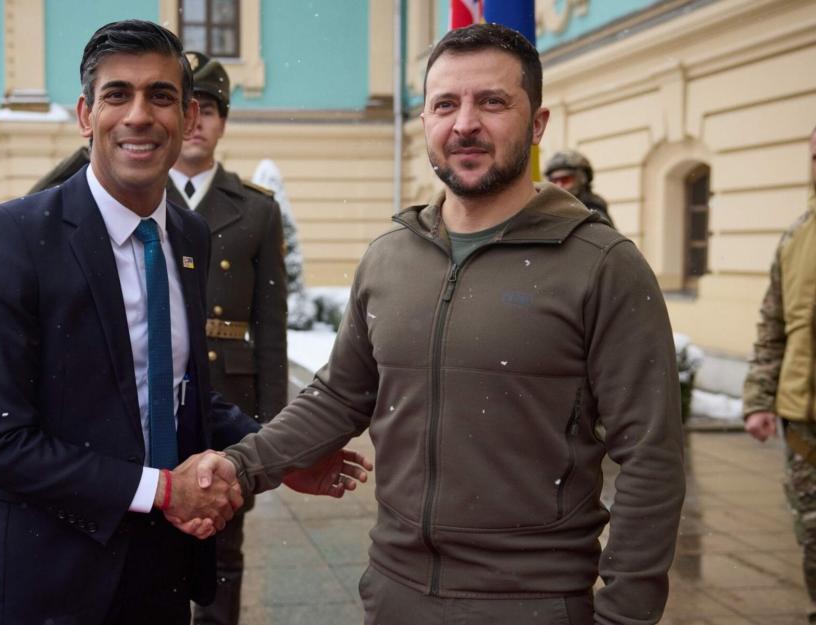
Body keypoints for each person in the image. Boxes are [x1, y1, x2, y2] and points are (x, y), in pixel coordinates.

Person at [186, 23, 685, 625]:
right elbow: (339, 396)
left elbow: (651, 457)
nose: (464, 124)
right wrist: (240, 465)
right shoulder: (390, 257)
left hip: (531, 603)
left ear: (537, 124)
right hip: (394, 595)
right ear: (425, 120)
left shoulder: (602, 265)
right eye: (445, 104)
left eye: (492, 102)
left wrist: (626, 614)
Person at [0, 20, 365, 625]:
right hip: (49, 579)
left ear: (187, 114)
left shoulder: (188, 235)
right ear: (85, 115)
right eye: (117, 94)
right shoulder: (16, 234)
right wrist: (163, 490)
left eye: (161, 96)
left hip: (162, 573)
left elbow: (177, 392)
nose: (139, 116)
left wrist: (282, 457)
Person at [164, 51, 288, 625]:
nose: (196, 122)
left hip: (230, 396)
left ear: (223, 121)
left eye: (208, 109)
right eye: (186, 107)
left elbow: (271, 325)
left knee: (222, 546)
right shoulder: (137, 194)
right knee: (150, 543)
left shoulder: (256, 210)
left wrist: (273, 431)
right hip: (160, 396)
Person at [743, 125, 816, 623]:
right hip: (803, 421)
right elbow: (774, 325)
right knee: (812, 534)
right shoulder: (797, 237)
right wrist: (759, 399)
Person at [544, 149, 614, 227]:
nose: (559, 186)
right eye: (554, 181)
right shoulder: (549, 211)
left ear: (583, 179)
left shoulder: (594, 214)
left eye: (565, 180)